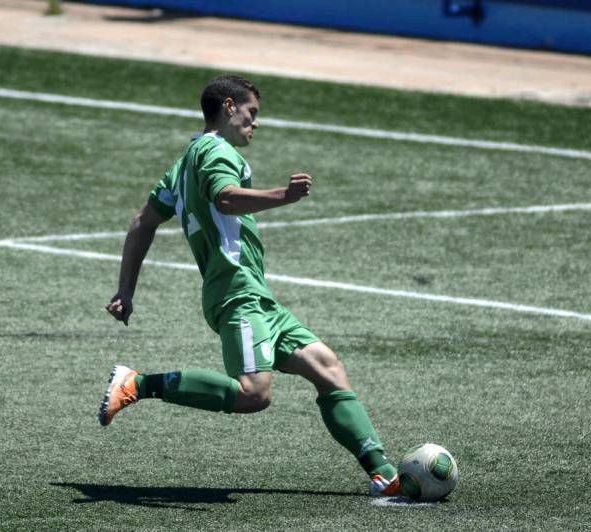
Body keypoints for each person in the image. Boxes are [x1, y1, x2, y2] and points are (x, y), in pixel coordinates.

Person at [100, 74, 400, 497]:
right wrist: (284, 195)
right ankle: (138, 383)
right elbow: (226, 198)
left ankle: (384, 475)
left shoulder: (182, 164)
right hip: (236, 293)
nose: (254, 124)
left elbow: (142, 223)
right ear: (227, 107)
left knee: (329, 370)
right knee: (253, 394)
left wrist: (125, 289)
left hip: (257, 296)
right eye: (251, 113)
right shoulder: (216, 150)